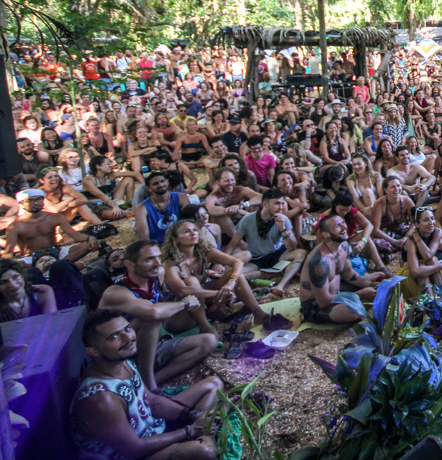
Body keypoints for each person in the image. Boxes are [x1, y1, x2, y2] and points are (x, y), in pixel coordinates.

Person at [71, 309, 220, 460]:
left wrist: (193, 415)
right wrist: (190, 430)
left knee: (213, 385)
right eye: (115, 336)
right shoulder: (101, 399)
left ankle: (203, 430)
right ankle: (203, 436)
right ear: (94, 352)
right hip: (131, 454)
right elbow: (135, 449)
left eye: (127, 329)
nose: (127, 337)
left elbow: (151, 400)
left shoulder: (123, 362)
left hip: (151, 430)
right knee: (205, 451)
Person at [98, 240, 216, 392]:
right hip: (120, 356)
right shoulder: (116, 292)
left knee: (209, 341)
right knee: (151, 319)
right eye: (149, 259)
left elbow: (169, 296)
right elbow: (153, 312)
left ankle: (151, 381)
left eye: (158, 257)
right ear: (129, 264)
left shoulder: (156, 276)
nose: (157, 263)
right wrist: (185, 303)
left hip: (148, 346)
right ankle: (150, 386)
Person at [299, 213, 384, 324]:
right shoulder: (319, 263)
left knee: (380, 279)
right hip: (316, 304)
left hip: (339, 289)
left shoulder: (343, 246)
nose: (344, 227)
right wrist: (360, 294)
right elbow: (323, 302)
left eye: (343, 223)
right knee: (354, 312)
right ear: (326, 235)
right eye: (338, 226)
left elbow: (350, 275)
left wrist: (369, 284)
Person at [232, 188, 306, 297]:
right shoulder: (248, 219)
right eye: (276, 204)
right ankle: (270, 273)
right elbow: (233, 243)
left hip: (276, 253)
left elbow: (292, 248)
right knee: (237, 274)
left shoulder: (283, 219)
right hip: (256, 258)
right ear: (265, 204)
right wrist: (221, 262)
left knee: (301, 253)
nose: (280, 207)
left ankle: (281, 285)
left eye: (282, 203)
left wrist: (283, 229)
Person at [3, 188, 99, 262]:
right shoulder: (15, 226)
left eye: (39, 199)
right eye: (30, 200)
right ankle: (59, 265)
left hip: (55, 251)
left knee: (87, 245)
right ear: (21, 204)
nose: (36, 203)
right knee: (20, 264)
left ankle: (57, 265)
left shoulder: (54, 217)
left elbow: (75, 235)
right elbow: (8, 252)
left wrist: (90, 238)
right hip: (31, 258)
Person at [134, 171, 189, 243]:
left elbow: (189, 222)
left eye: (162, 181)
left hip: (181, 240)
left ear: (167, 182)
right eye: (155, 184)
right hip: (158, 244)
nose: (160, 185)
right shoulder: (141, 208)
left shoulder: (181, 197)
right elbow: (144, 236)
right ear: (148, 188)